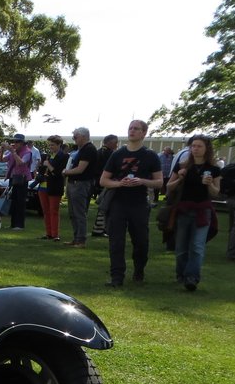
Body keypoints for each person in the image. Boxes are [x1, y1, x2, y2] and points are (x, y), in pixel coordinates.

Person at [98, 120, 164, 287]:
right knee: (116, 241)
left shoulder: (150, 156)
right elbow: (103, 180)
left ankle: (139, 270)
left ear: (143, 133)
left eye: (136, 129)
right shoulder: (117, 154)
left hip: (139, 204)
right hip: (118, 203)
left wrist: (142, 181)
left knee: (141, 241)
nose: (132, 131)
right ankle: (116, 277)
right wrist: (119, 183)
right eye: (130, 128)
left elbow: (159, 182)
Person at [165, 134, 222, 291]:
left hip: (203, 211)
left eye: (199, 146)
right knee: (181, 247)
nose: (195, 149)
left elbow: (216, 193)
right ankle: (181, 275)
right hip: (183, 210)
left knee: (197, 246)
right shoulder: (182, 166)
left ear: (206, 149)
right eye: (193, 146)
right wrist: (180, 178)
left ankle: (192, 278)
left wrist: (209, 184)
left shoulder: (214, 169)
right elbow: (169, 187)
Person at [62, 127, 98, 248]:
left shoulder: (89, 149)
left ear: (83, 136)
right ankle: (76, 238)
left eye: (75, 137)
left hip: (81, 184)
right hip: (74, 183)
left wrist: (66, 172)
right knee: (72, 213)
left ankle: (81, 240)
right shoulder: (81, 149)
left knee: (79, 213)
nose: (74, 139)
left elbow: (80, 169)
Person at [38, 135, 67, 240]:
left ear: (59, 145)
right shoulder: (49, 156)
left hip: (54, 187)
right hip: (43, 186)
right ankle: (48, 233)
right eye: (49, 145)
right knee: (45, 211)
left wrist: (49, 165)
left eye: (53, 145)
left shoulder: (64, 156)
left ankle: (55, 234)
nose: (50, 147)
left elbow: (59, 173)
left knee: (54, 211)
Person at [91, 134, 119, 237]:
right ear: (110, 143)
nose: (116, 145)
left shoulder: (99, 151)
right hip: (106, 182)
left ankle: (100, 228)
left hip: (98, 181)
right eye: (115, 143)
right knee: (106, 206)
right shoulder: (110, 154)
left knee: (104, 207)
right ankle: (101, 229)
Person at [4, 134, 32, 230]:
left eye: (16, 142)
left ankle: (19, 225)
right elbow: (2, 159)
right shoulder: (14, 151)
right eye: (14, 142)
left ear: (22, 143)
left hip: (22, 179)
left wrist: (13, 152)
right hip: (14, 178)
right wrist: (0, 151)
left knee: (20, 202)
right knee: (14, 201)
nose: (14, 144)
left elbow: (21, 162)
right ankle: (13, 224)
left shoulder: (27, 152)